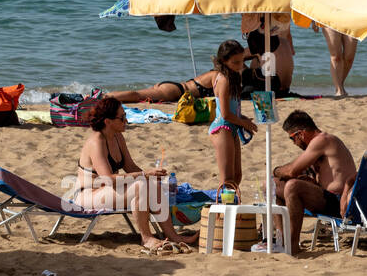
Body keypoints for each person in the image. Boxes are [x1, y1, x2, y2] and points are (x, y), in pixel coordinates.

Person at [73, 96, 198, 252]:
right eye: (122, 118)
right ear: (108, 121)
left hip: (107, 191)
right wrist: (144, 175)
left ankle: (173, 235)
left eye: (125, 116)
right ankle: (146, 238)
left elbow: (130, 167)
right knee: (140, 186)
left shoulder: (118, 137)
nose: (126, 120)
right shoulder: (96, 142)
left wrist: (152, 176)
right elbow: (108, 179)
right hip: (88, 195)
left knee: (152, 184)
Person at [273, 111, 359, 256]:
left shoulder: (322, 140)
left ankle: (292, 245)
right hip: (327, 196)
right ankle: (282, 240)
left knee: (292, 186)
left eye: (292, 139)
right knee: (272, 185)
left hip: (339, 201)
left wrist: (275, 170)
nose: (294, 143)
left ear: (301, 134)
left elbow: (292, 170)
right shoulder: (319, 144)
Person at [209, 40, 258, 194]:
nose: (240, 65)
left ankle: (231, 208)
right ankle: (225, 212)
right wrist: (243, 122)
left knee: (237, 175)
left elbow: (232, 110)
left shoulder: (234, 76)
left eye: (242, 61)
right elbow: (225, 114)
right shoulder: (223, 79)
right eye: (235, 62)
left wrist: (243, 118)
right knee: (228, 179)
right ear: (224, 61)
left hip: (231, 126)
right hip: (222, 127)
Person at [241, 13, 294, 94]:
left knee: (235, 62)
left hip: (272, 89)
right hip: (285, 89)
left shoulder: (262, 44)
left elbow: (237, 56)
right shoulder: (282, 41)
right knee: (260, 59)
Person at [108, 69, 221, 105]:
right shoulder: (217, 75)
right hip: (175, 91)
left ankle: (105, 96)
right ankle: (104, 96)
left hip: (173, 87)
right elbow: (218, 98)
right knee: (136, 95)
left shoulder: (215, 73)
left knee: (138, 95)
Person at [315, 23, 359, 97]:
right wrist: (313, 20)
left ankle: (340, 85)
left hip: (351, 16)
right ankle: (339, 89)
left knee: (349, 57)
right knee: (336, 56)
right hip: (330, 17)